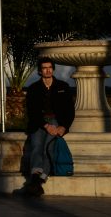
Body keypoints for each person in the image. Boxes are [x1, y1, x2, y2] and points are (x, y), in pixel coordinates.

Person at [20, 57, 75, 197]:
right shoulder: (33, 88)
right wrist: (45, 125)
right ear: (40, 71)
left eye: (50, 67)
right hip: (39, 122)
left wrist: (64, 127)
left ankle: (36, 181)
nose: (48, 70)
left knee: (48, 148)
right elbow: (32, 112)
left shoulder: (63, 87)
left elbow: (70, 110)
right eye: (44, 68)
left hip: (57, 121)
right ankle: (37, 179)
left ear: (53, 69)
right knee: (37, 146)